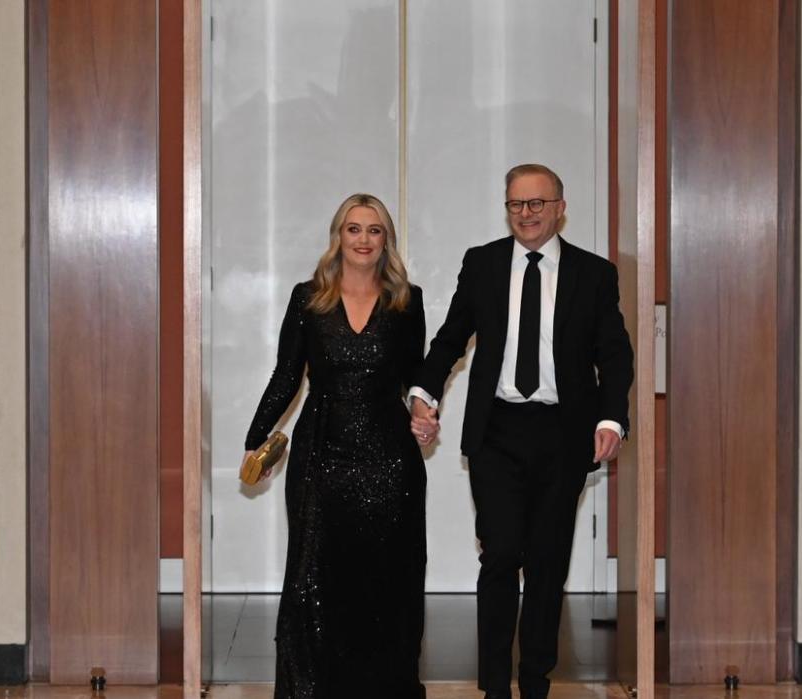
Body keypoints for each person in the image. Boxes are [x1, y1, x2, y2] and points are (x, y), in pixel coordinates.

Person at [408, 164, 634, 699]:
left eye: (537, 203)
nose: (526, 214)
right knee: (503, 554)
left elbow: (615, 354)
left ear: (560, 207)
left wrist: (611, 417)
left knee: (548, 562)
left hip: (564, 433)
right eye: (516, 204)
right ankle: (494, 688)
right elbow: (451, 339)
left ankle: (535, 682)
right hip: (497, 434)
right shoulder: (482, 264)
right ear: (506, 209)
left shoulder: (594, 274)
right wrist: (424, 391)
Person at [245, 193, 428, 699]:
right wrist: (255, 440)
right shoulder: (308, 298)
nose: (364, 239)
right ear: (338, 237)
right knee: (316, 577)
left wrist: (424, 411)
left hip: (391, 460)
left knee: (388, 578)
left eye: (374, 230)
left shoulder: (407, 300)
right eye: (354, 229)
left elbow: (417, 377)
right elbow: (286, 375)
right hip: (321, 455)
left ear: (385, 239)